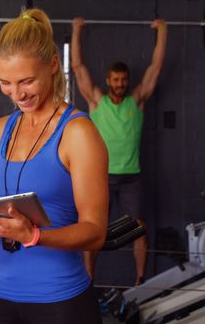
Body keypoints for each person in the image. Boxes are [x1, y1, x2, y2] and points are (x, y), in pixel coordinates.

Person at [0, 9, 109, 324]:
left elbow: (95, 232)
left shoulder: (78, 133)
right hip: (0, 293)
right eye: (5, 82)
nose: (17, 94)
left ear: (52, 65)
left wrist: (33, 236)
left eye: (26, 81)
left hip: (59, 298)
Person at [71, 17, 168, 285]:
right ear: (108, 80)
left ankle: (140, 280)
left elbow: (156, 67)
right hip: (101, 176)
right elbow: (78, 66)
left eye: (124, 80)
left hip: (131, 178)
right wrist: (76, 30)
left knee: (138, 228)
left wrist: (163, 31)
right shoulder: (96, 100)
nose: (120, 83)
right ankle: (88, 278)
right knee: (93, 229)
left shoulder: (136, 101)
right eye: (116, 79)